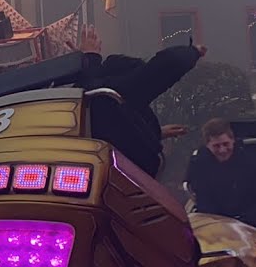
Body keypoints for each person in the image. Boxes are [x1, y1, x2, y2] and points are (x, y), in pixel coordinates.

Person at [80, 43, 205, 177]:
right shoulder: (121, 92)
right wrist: (193, 52)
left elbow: (123, 131)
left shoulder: (87, 96)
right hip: (127, 177)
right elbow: (167, 65)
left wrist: (156, 132)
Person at [186, 118, 256, 232]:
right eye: (216, 146)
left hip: (252, 220)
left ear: (233, 140)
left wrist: (243, 222)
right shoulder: (198, 165)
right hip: (216, 221)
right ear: (207, 145)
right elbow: (203, 200)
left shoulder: (251, 161)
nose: (222, 150)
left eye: (226, 144)